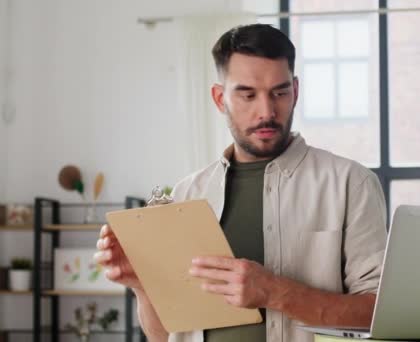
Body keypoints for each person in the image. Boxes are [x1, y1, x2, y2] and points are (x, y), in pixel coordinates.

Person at [94, 23, 387, 342]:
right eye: (247, 94)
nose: (267, 111)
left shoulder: (351, 184)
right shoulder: (186, 195)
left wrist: (276, 293)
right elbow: (164, 336)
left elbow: (379, 314)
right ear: (220, 99)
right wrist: (144, 286)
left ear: (296, 91)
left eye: (280, 92)